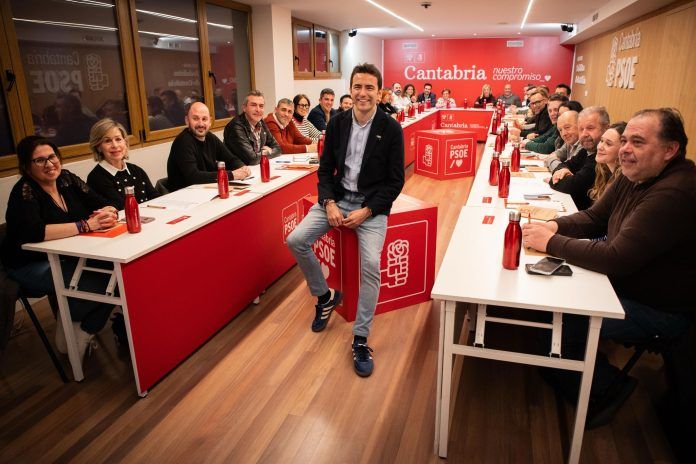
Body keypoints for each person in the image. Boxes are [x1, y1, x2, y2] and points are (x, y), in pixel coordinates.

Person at [522, 108, 695, 428]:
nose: (625, 149)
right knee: (551, 311)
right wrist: (552, 226)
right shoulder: (635, 173)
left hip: (660, 310)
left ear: (670, 149)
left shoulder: (675, 192)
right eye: (624, 140)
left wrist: (551, 242)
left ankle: (606, 387)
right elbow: (594, 218)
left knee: (565, 315)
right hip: (624, 284)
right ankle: (570, 366)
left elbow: (615, 257)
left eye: (637, 142)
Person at [286, 63, 405, 377]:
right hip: (337, 199)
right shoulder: (337, 123)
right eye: (357, 87)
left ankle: (361, 338)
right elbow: (325, 171)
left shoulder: (391, 129)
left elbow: (395, 182)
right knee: (295, 240)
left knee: (371, 265)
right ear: (350, 89)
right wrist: (328, 203)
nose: (363, 93)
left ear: (379, 93)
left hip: (370, 206)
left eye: (369, 88)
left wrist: (368, 211)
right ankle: (325, 296)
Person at [0, 136, 119, 360]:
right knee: (108, 284)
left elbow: (98, 201)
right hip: (28, 264)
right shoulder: (24, 191)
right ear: (26, 166)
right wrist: (85, 225)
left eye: (52, 156)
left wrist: (107, 210)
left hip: (67, 255)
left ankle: (77, 327)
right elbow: (35, 232)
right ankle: (78, 328)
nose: (49, 164)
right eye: (40, 160)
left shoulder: (66, 178)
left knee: (120, 276)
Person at [167, 102, 250, 191]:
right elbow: (193, 177)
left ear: (210, 122)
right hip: (185, 194)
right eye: (195, 118)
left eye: (204, 119)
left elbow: (230, 159)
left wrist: (242, 167)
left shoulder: (210, 137)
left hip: (205, 190)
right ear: (187, 121)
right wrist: (231, 175)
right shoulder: (183, 142)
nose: (201, 124)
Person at [87, 119, 159, 209]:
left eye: (118, 139)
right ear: (98, 147)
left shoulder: (136, 170)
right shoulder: (96, 178)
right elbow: (121, 209)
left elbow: (156, 198)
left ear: (125, 142)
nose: (115, 145)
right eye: (107, 141)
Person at [548, 106, 610, 210]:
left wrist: (556, 178)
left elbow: (572, 186)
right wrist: (562, 170)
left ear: (606, 129)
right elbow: (565, 165)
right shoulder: (586, 151)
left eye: (590, 128)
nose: (584, 134)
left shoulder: (600, 158)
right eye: (581, 129)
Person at [223, 90, 281, 165]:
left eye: (261, 106)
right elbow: (252, 159)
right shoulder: (235, 126)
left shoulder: (261, 122)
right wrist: (267, 152)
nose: (258, 110)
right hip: (236, 170)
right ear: (244, 108)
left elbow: (278, 148)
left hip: (254, 168)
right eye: (253, 105)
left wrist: (261, 154)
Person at [588, 121, 626, 201]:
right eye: (601, 141)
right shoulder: (603, 171)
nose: (599, 147)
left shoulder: (623, 181)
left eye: (608, 144)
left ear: (622, 150)